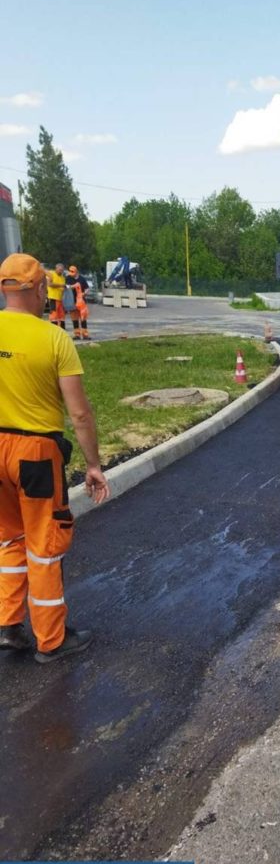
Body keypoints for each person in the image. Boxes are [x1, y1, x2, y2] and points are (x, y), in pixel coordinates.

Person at [0, 253, 110, 663]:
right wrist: (93, 465)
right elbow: (79, 413)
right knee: (44, 543)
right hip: (35, 454)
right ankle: (51, 639)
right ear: (37, 288)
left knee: (9, 537)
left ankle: (8, 625)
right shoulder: (53, 339)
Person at [65, 265, 91, 340]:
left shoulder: (82, 279)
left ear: (76, 272)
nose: (71, 274)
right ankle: (77, 334)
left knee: (83, 318)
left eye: (73, 272)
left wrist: (84, 293)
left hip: (81, 301)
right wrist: (74, 286)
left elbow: (87, 288)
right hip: (72, 301)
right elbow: (66, 287)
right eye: (70, 272)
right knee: (74, 318)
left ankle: (85, 334)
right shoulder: (68, 278)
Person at [46, 262, 67, 328]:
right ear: (56, 268)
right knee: (54, 314)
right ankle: (54, 328)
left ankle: (62, 329)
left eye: (62, 270)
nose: (61, 271)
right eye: (60, 270)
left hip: (60, 299)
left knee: (61, 315)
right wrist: (61, 285)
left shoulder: (62, 277)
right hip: (53, 298)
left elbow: (63, 287)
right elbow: (49, 284)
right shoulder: (51, 274)